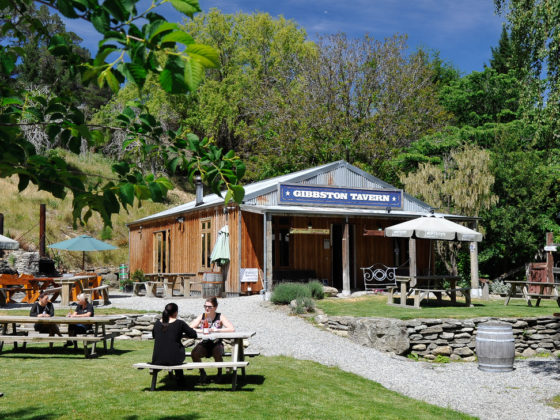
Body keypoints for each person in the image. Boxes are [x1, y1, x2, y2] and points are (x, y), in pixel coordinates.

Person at [189, 296, 234, 383]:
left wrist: (216, 330)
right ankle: (202, 373)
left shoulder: (220, 316)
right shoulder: (202, 316)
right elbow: (191, 327)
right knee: (194, 353)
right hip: (205, 343)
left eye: (210, 307)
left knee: (217, 353)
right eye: (205, 306)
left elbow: (231, 328)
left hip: (216, 343)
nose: (207, 308)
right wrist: (202, 330)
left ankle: (219, 374)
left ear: (215, 307)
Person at [152, 302, 197, 386]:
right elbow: (193, 334)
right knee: (176, 350)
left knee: (171, 349)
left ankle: (177, 378)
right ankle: (180, 379)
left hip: (157, 358)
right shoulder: (179, 323)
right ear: (175, 312)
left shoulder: (157, 323)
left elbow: (154, 335)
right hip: (175, 358)